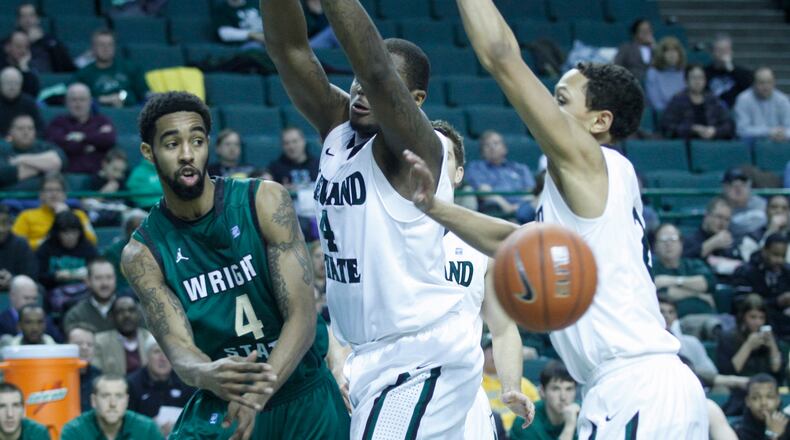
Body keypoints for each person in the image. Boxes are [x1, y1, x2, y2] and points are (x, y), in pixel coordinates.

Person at [404, 0, 708, 437]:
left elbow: (501, 57)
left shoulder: (590, 163)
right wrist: (435, 208)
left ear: (600, 121)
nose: (548, 108)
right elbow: (514, 240)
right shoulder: (594, 184)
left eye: (561, 100)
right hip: (634, 386)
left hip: (636, 386)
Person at [261, 0, 519, 435]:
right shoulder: (338, 129)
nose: (361, 90)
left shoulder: (420, 147)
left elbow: (378, 71)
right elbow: (289, 49)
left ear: (415, 100)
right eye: (355, 81)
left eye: (374, 85)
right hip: (372, 358)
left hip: (421, 355)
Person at [121, 91, 348, 439]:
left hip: (301, 392)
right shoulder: (143, 254)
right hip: (227, 397)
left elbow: (302, 317)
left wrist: (257, 394)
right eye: (172, 144)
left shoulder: (264, 201)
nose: (187, 154)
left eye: (197, 141)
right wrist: (205, 373)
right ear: (148, 152)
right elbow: (179, 349)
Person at [433, 120, 534, 439]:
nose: (435, 161)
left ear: (459, 173)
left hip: (465, 393)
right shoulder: (385, 236)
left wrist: (511, 386)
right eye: (427, 153)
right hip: (399, 381)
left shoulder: (479, 246)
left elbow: (502, 329)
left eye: (445, 156)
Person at [716, 294, 783, 416]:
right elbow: (730, 370)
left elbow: (776, 368)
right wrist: (748, 346)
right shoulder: (728, 338)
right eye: (753, 317)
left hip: (767, 390)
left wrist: (772, 346)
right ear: (743, 317)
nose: (758, 322)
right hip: (739, 391)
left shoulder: (771, 338)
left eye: (761, 318)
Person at [127, 337, 195, 437]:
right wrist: (149, 428)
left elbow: (195, 419)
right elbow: (126, 423)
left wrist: (179, 428)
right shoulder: (132, 384)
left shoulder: (186, 382)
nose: (163, 358)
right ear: (147, 356)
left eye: (167, 352)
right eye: (157, 352)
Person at [464, 130, 536, 223]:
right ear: (482, 152)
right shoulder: (476, 168)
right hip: (496, 212)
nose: (492, 147)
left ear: (505, 148)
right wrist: (506, 206)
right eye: (487, 145)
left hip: (523, 210)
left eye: (496, 143)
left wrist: (519, 207)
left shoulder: (520, 169)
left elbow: (530, 192)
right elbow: (484, 191)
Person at [60, 375, 163, 440]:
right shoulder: (75, 431)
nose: (113, 403)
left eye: (119, 396)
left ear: (126, 401)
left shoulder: (147, 429)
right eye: (105, 396)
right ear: (94, 401)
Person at [45, 83, 117, 174]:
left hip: (98, 174)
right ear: (66, 102)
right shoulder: (58, 123)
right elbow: (57, 145)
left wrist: (82, 137)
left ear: (90, 102)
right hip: (67, 174)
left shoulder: (102, 121)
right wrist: (93, 142)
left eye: (82, 100)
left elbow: (109, 139)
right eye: (73, 100)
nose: (78, 104)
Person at [12, 173, 96, 250]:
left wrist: (66, 216)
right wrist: (43, 243)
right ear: (41, 195)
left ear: (65, 195)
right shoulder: (26, 216)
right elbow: (15, 245)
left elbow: (92, 241)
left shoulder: (79, 215)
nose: (54, 194)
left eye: (58, 190)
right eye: (49, 190)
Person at [732, 234, 790, 341]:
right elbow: (741, 304)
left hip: (783, 320)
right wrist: (776, 302)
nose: (779, 260)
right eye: (775, 255)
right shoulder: (745, 271)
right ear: (764, 251)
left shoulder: (786, 271)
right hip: (755, 323)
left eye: (783, 256)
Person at [72, 29, 149, 108]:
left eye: (110, 45)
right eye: (101, 45)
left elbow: (144, 94)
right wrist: (102, 100)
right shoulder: (84, 74)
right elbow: (75, 98)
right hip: (96, 113)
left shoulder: (131, 68)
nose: (106, 48)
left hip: (129, 111)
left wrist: (123, 99)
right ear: (93, 48)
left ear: (115, 47)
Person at [652, 223, 717, 315]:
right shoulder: (650, 269)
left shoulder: (693, 264)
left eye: (673, 239)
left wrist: (673, 281)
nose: (668, 244)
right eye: (663, 240)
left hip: (705, 315)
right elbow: (665, 293)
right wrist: (698, 295)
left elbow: (707, 282)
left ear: (681, 243)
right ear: (655, 246)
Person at [661, 64, 735, 140]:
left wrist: (715, 131)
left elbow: (728, 124)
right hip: (686, 142)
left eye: (700, 78)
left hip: (712, 142)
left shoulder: (712, 99)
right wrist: (692, 129)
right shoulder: (678, 100)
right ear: (686, 81)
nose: (697, 81)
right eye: (694, 78)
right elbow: (667, 125)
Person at [510, 361, 579, 440]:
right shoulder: (525, 421)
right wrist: (569, 427)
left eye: (569, 389)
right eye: (555, 389)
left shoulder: (585, 414)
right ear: (542, 391)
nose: (563, 397)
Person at [35, 210, 98, 294]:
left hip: (84, 292)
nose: (70, 236)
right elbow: (38, 275)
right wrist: (56, 276)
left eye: (74, 232)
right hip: (53, 293)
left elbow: (98, 271)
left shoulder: (88, 248)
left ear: (80, 232)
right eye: (65, 232)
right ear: (57, 233)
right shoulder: (46, 248)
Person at [658, 297, 718, 379]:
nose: (666, 316)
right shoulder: (649, 344)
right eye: (662, 312)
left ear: (676, 316)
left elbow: (711, 372)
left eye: (671, 312)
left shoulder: (692, 343)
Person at [683, 196, 745, 277]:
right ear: (707, 215)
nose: (722, 223)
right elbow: (683, 263)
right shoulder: (689, 241)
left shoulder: (732, 244)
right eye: (719, 217)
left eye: (727, 219)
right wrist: (712, 244)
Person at [0, 115, 65, 189]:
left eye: (30, 128)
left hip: (45, 194)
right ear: (10, 131)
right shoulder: (3, 149)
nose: (26, 132)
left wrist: (21, 159)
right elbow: (4, 174)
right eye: (20, 128)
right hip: (11, 194)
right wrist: (44, 166)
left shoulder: (45, 147)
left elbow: (60, 161)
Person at [93, 297, 152, 376]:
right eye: (120, 311)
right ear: (112, 317)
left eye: (131, 310)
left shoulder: (150, 338)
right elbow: (96, 376)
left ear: (139, 314)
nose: (127, 315)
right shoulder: (99, 342)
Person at [63, 257, 122, 333]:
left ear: (115, 279)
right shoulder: (76, 315)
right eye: (98, 278)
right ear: (88, 281)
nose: (105, 283)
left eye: (109, 277)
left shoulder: (130, 310)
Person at [15, 2, 75, 73]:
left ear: (38, 19)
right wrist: (28, 42)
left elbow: (67, 64)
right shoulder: (11, 41)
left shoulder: (50, 41)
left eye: (31, 16)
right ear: (18, 21)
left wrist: (43, 40)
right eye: (23, 16)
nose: (28, 20)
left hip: (49, 77)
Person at [734, 67, 790, 142]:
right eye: (761, 83)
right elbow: (741, 130)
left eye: (769, 82)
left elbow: (788, 127)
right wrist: (768, 132)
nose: (766, 86)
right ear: (753, 83)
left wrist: (783, 134)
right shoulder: (743, 99)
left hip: (780, 143)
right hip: (752, 145)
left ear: (774, 83)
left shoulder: (783, 100)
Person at [0, 275, 62, 341]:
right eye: (27, 298)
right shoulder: (1, 321)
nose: (31, 302)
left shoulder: (45, 320)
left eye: (34, 298)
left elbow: (59, 342)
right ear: (12, 296)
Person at [101, 209, 146, 292]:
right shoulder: (113, 252)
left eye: (142, 229)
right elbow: (113, 280)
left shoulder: (156, 249)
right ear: (126, 230)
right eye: (133, 229)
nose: (138, 233)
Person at [735, 373, 790, 440]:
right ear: (748, 401)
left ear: (778, 400)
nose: (763, 403)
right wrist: (772, 434)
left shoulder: (787, 424)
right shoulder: (738, 430)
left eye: (769, 396)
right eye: (756, 397)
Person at [705, 34, 753, 109]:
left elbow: (749, 90)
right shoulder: (705, 73)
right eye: (719, 50)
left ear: (731, 52)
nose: (722, 54)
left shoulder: (743, 73)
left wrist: (731, 69)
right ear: (713, 52)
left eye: (725, 50)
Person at [722, 167, 767, 241]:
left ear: (749, 185)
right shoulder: (721, 208)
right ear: (725, 188)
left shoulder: (761, 203)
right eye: (733, 185)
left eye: (743, 184)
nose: (739, 189)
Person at [67, 323, 104, 413]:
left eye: (90, 344)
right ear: (66, 345)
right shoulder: (55, 375)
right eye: (78, 343)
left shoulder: (99, 377)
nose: (84, 348)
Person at [0, 205, 37, 293]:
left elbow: (31, 275)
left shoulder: (20, 243)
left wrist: (13, 279)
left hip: (16, 289)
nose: (1, 229)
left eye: (4, 223)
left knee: (38, 289)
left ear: (11, 224)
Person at [742, 195, 790, 263]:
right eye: (774, 207)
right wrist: (771, 232)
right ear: (766, 210)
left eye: (784, 208)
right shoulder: (752, 237)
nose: (779, 211)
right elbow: (750, 261)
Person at [645, 36, 687, 113]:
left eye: (675, 51)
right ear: (661, 54)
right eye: (668, 51)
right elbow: (656, 103)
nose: (672, 54)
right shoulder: (653, 73)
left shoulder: (683, 72)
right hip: (663, 114)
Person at [0, 67, 42, 137]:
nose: (12, 87)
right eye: (8, 83)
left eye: (16, 83)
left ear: (21, 84)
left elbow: (40, 128)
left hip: (25, 141)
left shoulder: (29, 103)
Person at [0, 31, 39, 98]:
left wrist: (24, 68)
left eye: (26, 47)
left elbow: (32, 95)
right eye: (19, 47)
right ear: (7, 47)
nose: (23, 51)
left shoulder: (29, 68)